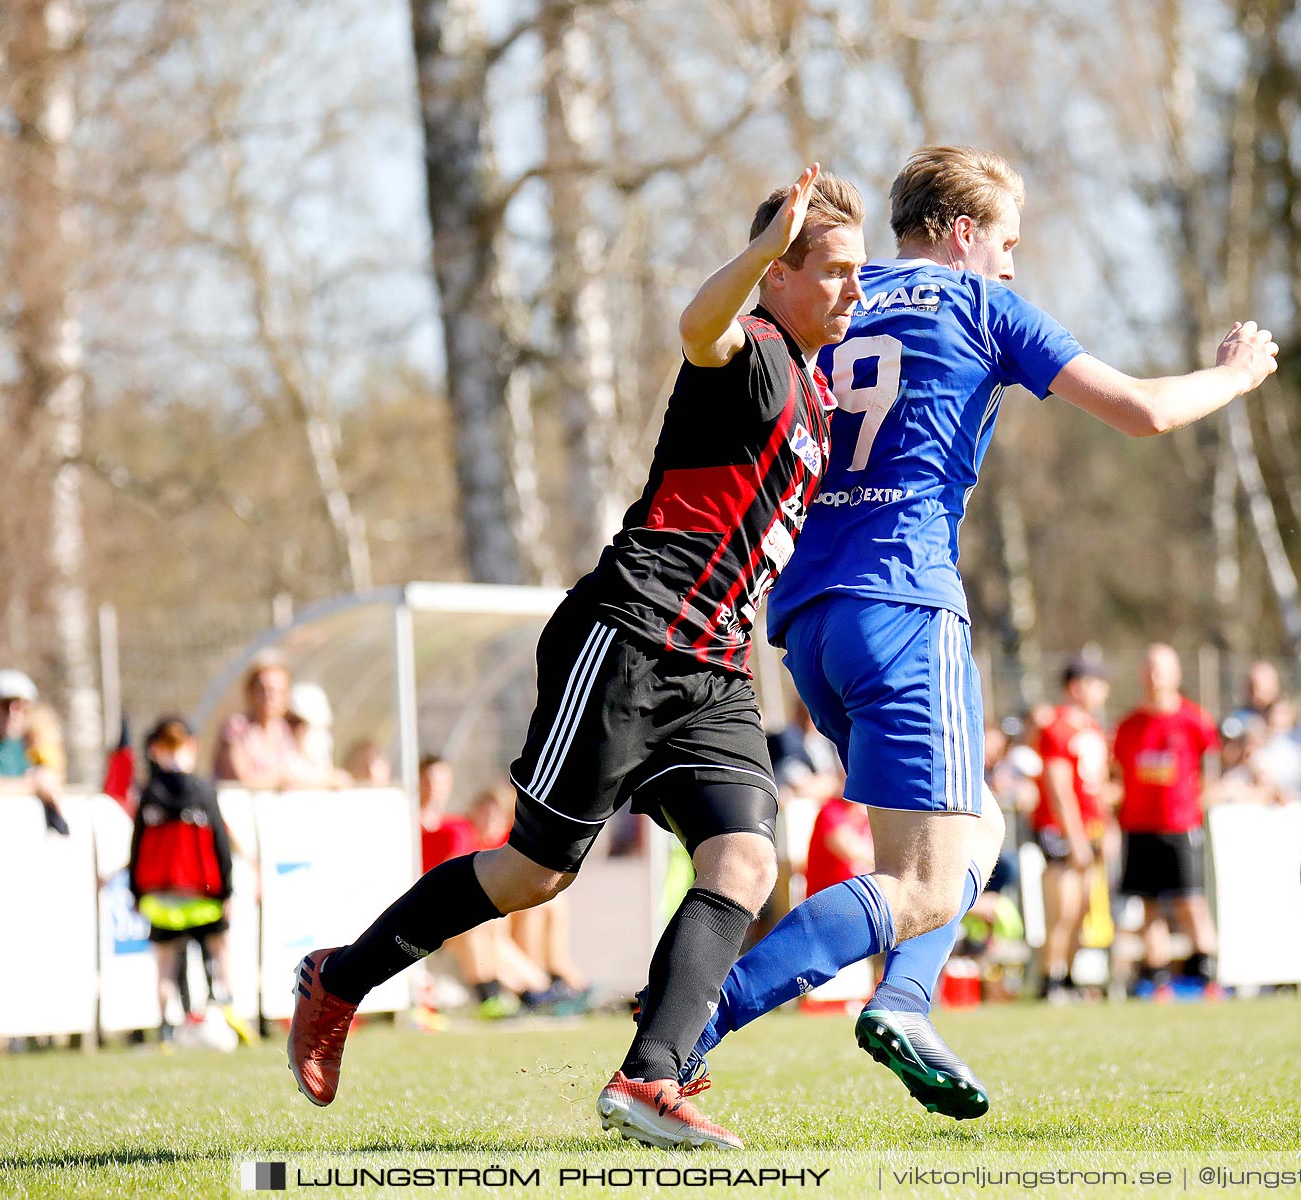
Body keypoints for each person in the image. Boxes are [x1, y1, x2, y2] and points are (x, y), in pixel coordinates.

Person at [682, 145, 1276, 1119]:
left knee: (974, 831)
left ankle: (906, 1002)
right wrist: (1236, 375)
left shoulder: (832, 294)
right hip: (906, 607)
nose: (1010, 264)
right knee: (924, 880)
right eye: (1006, 243)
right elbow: (1145, 413)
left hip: (804, 623)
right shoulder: (980, 305)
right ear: (962, 235)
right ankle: (689, 1021)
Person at [286, 164, 864, 1151]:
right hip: (629, 639)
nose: (854, 289)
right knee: (532, 876)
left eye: (862, 273)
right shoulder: (757, 345)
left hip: (717, 669)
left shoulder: (815, 397)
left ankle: (647, 1079)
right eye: (836, 270)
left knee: (747, 858)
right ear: (776, 275)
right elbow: (698, 327)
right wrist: (759, 249)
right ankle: (340, 980)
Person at [129, 717, 250, 1044]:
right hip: (203, 895)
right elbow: (220, 844)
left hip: (162, 897)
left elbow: (137, 846)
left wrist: (136, 892)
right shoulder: (203, 790)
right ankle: (229, 1009)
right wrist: (227, 891)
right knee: (220, 951)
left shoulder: (149, 793)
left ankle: (167, 1028)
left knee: (165, 966)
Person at [1111, 644, 1221, 1000]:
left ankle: (1207, 974)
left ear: (1176, 674)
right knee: (1149, 906)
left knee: (1191, 902)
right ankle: (1156, 978)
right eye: (1149, 667)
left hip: (1180, 827)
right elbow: (1117, 775)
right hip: (1139, 827)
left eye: (1162, 668)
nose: (1154, 675)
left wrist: (1199, 800)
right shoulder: (1128, 726)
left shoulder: (1194, 721)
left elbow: (1213, 769)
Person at [1032, 658, 1111, 1002]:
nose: (1103, 690)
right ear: (1077, 686)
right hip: (1061, 830)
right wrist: (1075, 835)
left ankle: (1068, 976)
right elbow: (1058, 786)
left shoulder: (1092, 727)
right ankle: (1050, 976)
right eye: (1097, 682)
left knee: (1082, 908)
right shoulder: (1058, 727)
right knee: (1062, 907)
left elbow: (1099, 786)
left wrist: (1107, 827)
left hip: (1090, 828)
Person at [0, 669, 68, 833]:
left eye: (21, 707)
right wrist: (32, 784)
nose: (13, 713)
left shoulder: (21, 743)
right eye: (5, 705)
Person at [214, 660, 314, 789]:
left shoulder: (290, 731)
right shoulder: (237, 728)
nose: (269, 697)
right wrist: (280, 779)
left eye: (277, 691)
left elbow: (303, 772)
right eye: (263, 690)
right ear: (251, 692)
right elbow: (242, 780)